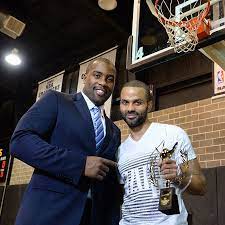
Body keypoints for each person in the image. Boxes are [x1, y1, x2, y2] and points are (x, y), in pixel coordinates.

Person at [10, 58, 121, 225]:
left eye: (109, 79)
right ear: (85, 77)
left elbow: (109, 181)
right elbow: (20, 141)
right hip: (48, 214)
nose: (103, 83)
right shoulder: (56, 100)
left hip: (92, 217)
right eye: (97, 75)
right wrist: (80, 164)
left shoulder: (114, 130)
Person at [117, 80, 206, 225]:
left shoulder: (173, 134)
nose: (130, 108)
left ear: (149, 105)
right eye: (125, 102)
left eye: (137, 102)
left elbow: (201, 186)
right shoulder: (120, 151)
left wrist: (178, 177)